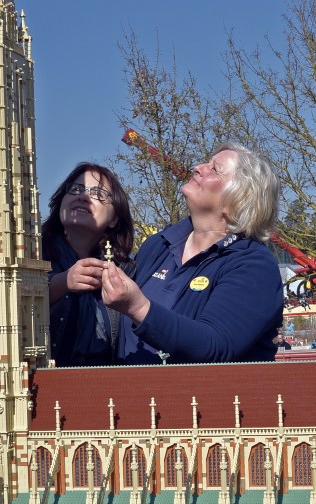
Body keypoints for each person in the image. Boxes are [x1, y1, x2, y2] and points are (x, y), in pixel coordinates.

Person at [104, 143, 283, 364]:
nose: (198, 167)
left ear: (239, 199)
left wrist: (138, 307)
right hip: (130, 395)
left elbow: (217, 345)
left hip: (200, 399)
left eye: (215, 169)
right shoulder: (158, 245)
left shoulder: (253, 266)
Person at [42, 163, 134, 366]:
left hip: (104, 391)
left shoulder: (128, 271)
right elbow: (10, 304)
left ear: (114, 219)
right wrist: (59, 283)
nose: (82, 196)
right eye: (75, 189)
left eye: (98, 193)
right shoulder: (31, 255)